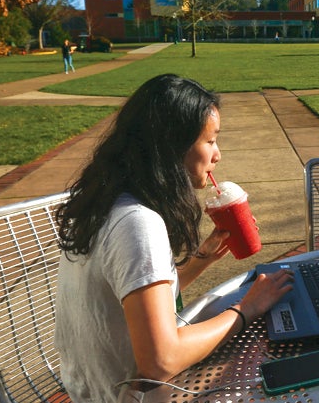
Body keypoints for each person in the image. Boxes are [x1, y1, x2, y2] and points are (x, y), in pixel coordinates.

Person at [54, 74, 293, 402]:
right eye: (210, 141)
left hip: (91, 387)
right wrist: (248, 307)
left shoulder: (109, 200)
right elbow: (160, 361)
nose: (217, 154)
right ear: (172, 146)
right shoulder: (137, 223)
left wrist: (203, 258)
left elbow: (136, 298)